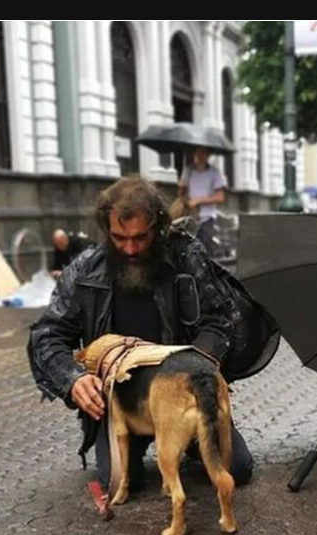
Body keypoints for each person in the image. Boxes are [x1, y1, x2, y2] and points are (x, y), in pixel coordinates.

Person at [27, 175, 256, 493]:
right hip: (122, 406)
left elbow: (220, 321)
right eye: (119, 238)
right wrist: (74, 380)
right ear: (106, 228)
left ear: (158, 225)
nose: (130, 248)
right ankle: (143, 449)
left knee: (238, 470)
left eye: (140, 237)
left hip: (182, 397)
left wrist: (197, 369)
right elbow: (47, 335)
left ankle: (188, 445)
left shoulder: (186, 257)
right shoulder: (85, 270)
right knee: (117, 482)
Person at [177, 146, 226, 255]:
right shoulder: (188, 170)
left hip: (206, 217)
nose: (200, 156)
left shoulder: (214, 172)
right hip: (190, 217)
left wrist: (198, 201)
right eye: (198, 152)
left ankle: (207, 271)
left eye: (203, 153)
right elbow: (181, 195)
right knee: (189, 250)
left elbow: (220, 197)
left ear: (208, 155)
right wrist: (181, 188)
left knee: (204, 249)